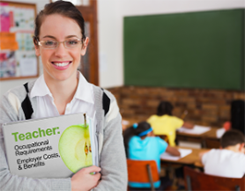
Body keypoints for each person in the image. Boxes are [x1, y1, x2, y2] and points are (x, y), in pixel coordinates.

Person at [0, 1, 127, 191]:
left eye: (72, 42)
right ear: (37, 45)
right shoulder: (12, 103)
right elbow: (4, 182)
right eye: (50, 42)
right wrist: (71, 186)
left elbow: (116, 182)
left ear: (84, 45)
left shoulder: (104, 103)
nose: (61, 52)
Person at [123, 121, 180, 191]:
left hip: (132, 185)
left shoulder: (130, 140)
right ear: (149, 132)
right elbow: (177, 153)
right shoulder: (156, 141)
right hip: (152, 186)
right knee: (168, 180)